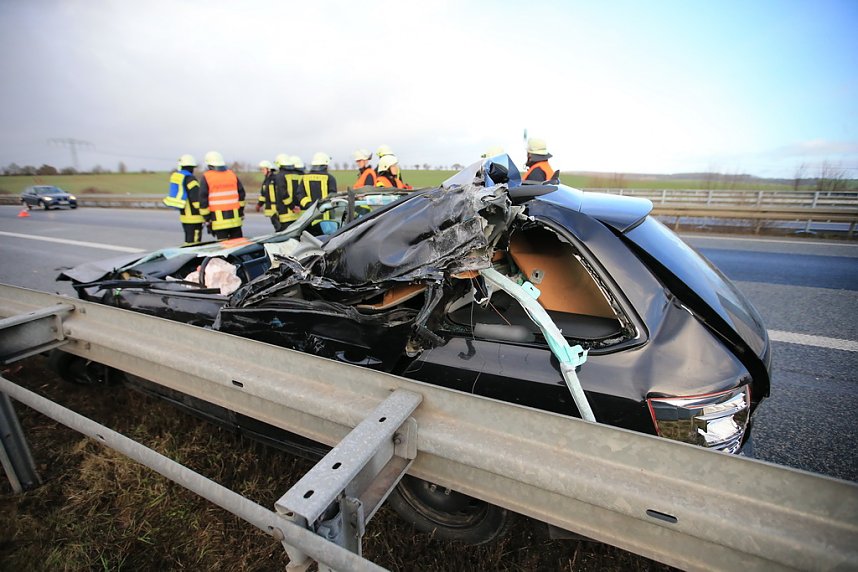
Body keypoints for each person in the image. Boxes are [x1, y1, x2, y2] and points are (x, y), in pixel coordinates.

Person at [199, 151, 245, 240]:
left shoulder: (207, 177)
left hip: (218, 221)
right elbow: (241, 195)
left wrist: (207, 219)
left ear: (209, 165)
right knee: (239, 245)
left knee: (224, 246)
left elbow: (203, 199)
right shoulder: (231, 174)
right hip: (235, 220)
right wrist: (241, 212)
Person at [163, 154, 206, 246]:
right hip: (195, 218)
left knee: (188, 241)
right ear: (192, 167)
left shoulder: (179, 178)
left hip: (185, 217)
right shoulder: (190, 179)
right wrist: (205, 214)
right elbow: (196, 200)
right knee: (195, 244)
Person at [297, 152, 338, 232]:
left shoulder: (305, 178)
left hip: (309, 217)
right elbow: (333, 196)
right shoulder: (330, 178)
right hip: (326, 218)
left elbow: (300, 195)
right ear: (325, 165)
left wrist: (310, 205)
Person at [273, 153, 303, 230]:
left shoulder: (280, 176)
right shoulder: (296, 175)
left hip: (285, 212)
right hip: (298, 212)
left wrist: (292, 207)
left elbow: (283, 193)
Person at [255, 159, 279, 230]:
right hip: (271, 209)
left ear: (268, 169)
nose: (262, 171)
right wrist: (259, 204)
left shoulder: (275, 179)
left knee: (279, 228)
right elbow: (263, 195)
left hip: (276, 209)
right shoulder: (266, 180)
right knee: (277, 227)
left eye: (263, 169)